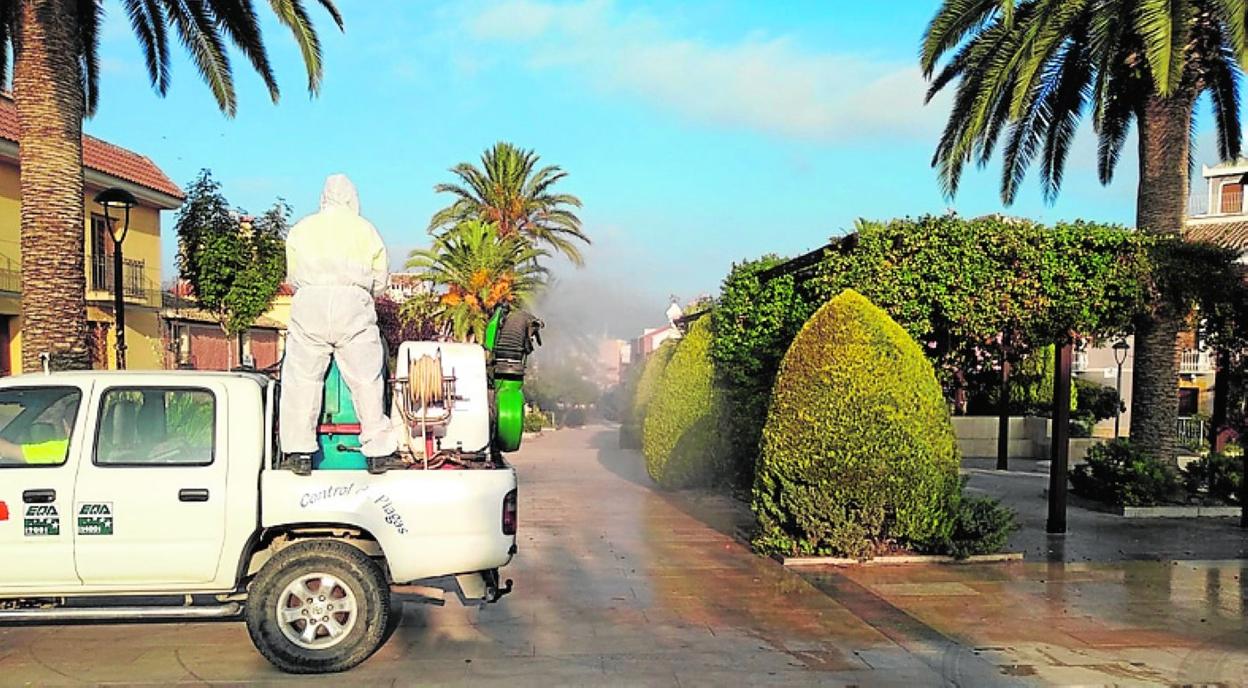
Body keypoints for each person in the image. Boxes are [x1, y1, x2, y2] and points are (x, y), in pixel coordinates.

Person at [279, 174, 397, 475]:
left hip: (310, 303)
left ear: (324, 198)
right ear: (352, 198)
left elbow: (292, 276)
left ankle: (299, 452)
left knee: (302, 379)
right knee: (366, 379)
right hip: (352, 302)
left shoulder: (302, 229)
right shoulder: (365, 229)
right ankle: (376, 452)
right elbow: (380, 280)